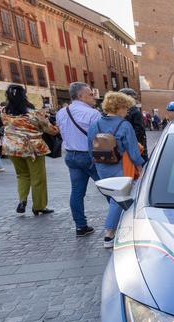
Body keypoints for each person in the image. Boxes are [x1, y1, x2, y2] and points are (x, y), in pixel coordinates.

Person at [88, 91, 146, 249]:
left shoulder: (95, 125)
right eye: (126, 107)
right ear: (118, 107)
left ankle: (118, 225)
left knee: (114, 197)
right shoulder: (124, 125)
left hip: (101, 166)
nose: (127, 111)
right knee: (118, 198)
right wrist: (140, 168)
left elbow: (90, 149)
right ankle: (109, 234)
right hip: (120, 166)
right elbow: (133, 151)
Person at [1, 85, 60, 215]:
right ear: (24, 96)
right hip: (33, 148)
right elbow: (51, 130)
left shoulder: (4, 112)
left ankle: (22, 200)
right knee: (38, 178)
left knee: (22, 175)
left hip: (12, 148)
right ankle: (39, 206)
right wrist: (56, 126)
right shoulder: (33, 113)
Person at [56, 82, 103, 236]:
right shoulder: (93, 113)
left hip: (71, 155)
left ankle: (80, 226)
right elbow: (100, 136)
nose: (94, 97)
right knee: (108, 188)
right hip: (89, 155)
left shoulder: (61, 112)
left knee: (77, 192)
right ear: (81, 96)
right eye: (90, 94)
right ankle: (118, 222)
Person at [119, 88, 148, 161]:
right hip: (136, 146)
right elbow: (139, 131)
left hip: (127, 146)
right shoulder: (134, 112)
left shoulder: (123, 111)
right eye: (134, 98)